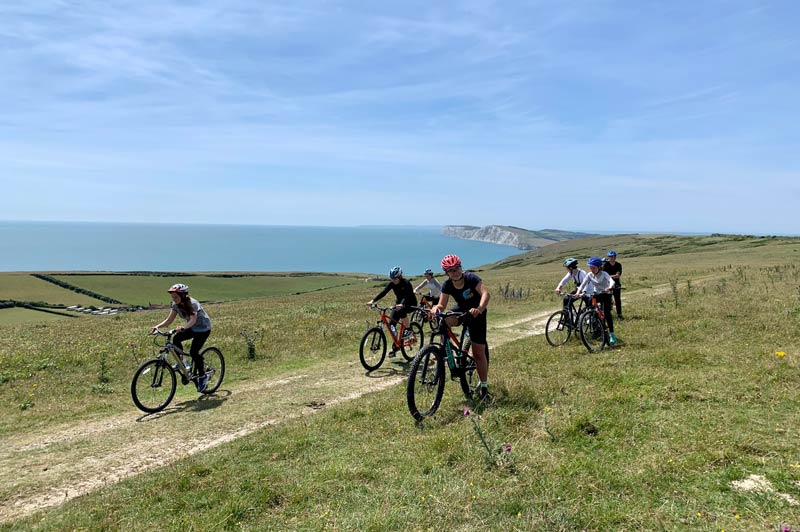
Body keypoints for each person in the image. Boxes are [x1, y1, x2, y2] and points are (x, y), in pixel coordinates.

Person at [430, 254, 491, 399]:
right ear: (447, 273)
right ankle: (443, 349)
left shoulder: (471, 278)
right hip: (462, 309)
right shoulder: (447, 284)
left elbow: (485, 294)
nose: (455, 271)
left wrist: (479, 309)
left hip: (477, 313)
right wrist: (436, 309)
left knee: (478, 353)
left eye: (457, 268)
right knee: (444, 320)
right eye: (451, 270)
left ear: (461, 267)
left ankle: (483, 386)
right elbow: (442, 305)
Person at [152, 283, 213, 391]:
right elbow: (169, 320)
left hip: (203, 329)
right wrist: (157, 327)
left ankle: (203, 376)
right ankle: (183, 363)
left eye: (176, 297)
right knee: (176, 339)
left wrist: (184, 328)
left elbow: (193, 320)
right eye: (172, 297)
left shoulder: (193, 303)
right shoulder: (175, 305)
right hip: (192, 327)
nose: (174, 299)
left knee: (194, 352)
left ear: (183, 295)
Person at [367, 267, 418, 354]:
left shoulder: (406, 283)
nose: (393, 280)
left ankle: (409, 329)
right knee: (391, 325)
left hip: (410, 304)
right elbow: (383, 292)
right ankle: (396, 345)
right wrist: (373, 300)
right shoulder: (392, 284)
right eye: (392, 278)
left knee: (401, 311)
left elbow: (407, 295)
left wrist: (402, 304)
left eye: (395, 278)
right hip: (399, 305)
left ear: (400, 276)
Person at [576, 257, 618, 345]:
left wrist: (610, 287)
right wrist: (578, 292)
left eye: (593, 268)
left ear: (599, 267)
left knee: (607, 313)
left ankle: (612, 334)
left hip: (606, 294)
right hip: (597, 294)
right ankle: (595, 316)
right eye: (590, 268)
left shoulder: (604, 274)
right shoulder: (589, 275)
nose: (592, 269)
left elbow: (611, 281)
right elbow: (583, 284)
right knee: (590, 301)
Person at [603, 250, 623, 320]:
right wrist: (613, 275)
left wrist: (609, 276)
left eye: (613, 256)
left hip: (617, 285)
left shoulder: (618, 265)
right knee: (607, 301)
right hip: (608, 285)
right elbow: (604, 276)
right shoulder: (605, 265)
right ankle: (607, 315)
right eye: (610, 257)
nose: (611, 258)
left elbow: (618, 276)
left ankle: (619, 315)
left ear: (615, 257)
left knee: (617, 300)